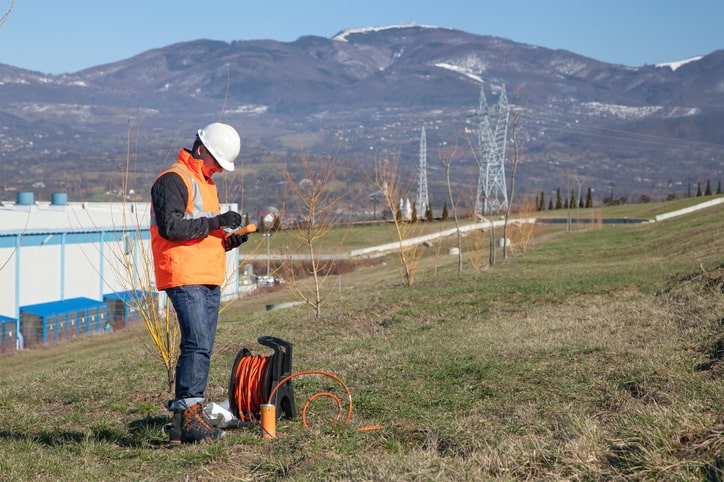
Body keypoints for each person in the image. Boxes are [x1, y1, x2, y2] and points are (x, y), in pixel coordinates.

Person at [150, 122, 249, 444]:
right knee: (196, 342)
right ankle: (188, 415)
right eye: (217, 161)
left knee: (203, 345)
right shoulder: (173, 179)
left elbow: (205, 235)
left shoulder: (205, 184)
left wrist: (231, 238)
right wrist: (217, 221)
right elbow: (172, 227)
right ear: (201, 149)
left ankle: (188, 420)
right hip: (184, 274)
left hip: (207, 275)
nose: (219, 169)